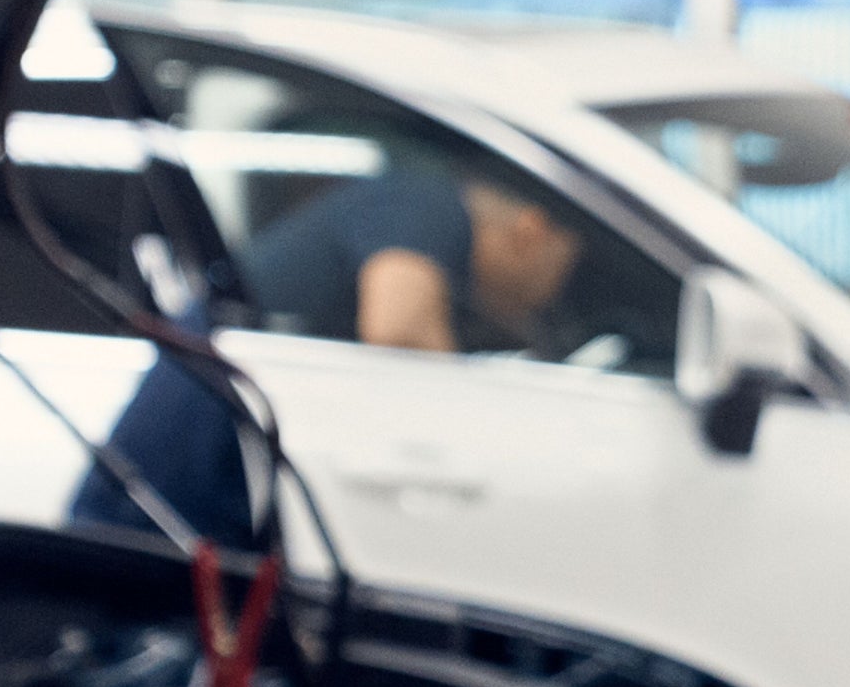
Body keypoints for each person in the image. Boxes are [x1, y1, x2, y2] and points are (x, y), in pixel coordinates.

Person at [70, 164, 580, 547]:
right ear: (531, 230)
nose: (552, 296)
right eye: (567, 272)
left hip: (204, 475)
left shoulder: (418, 215)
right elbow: (399, 327)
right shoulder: (429, 203)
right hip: (173, 484)